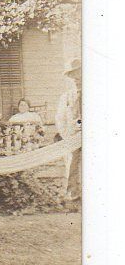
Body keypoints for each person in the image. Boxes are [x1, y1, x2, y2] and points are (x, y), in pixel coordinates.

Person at [55, 58, 82, 201]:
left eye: (79, 74)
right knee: (71, 163)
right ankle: (73, 195)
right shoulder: (66, 97)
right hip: (73, 137)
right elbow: (60, 119)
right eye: (74, 76)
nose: (77, 79)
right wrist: (67, 135)